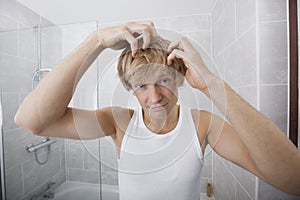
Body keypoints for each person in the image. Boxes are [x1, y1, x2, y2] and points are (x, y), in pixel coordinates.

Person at [14, 21, 300, 199]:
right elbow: (31, 122)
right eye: (141, 86)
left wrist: (212, 85)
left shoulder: (202, 124)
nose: (154, 97)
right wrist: (96, 41)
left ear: (178, 78)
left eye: (163, 80)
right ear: (130, 89)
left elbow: (292, 179)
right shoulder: (119, 122)